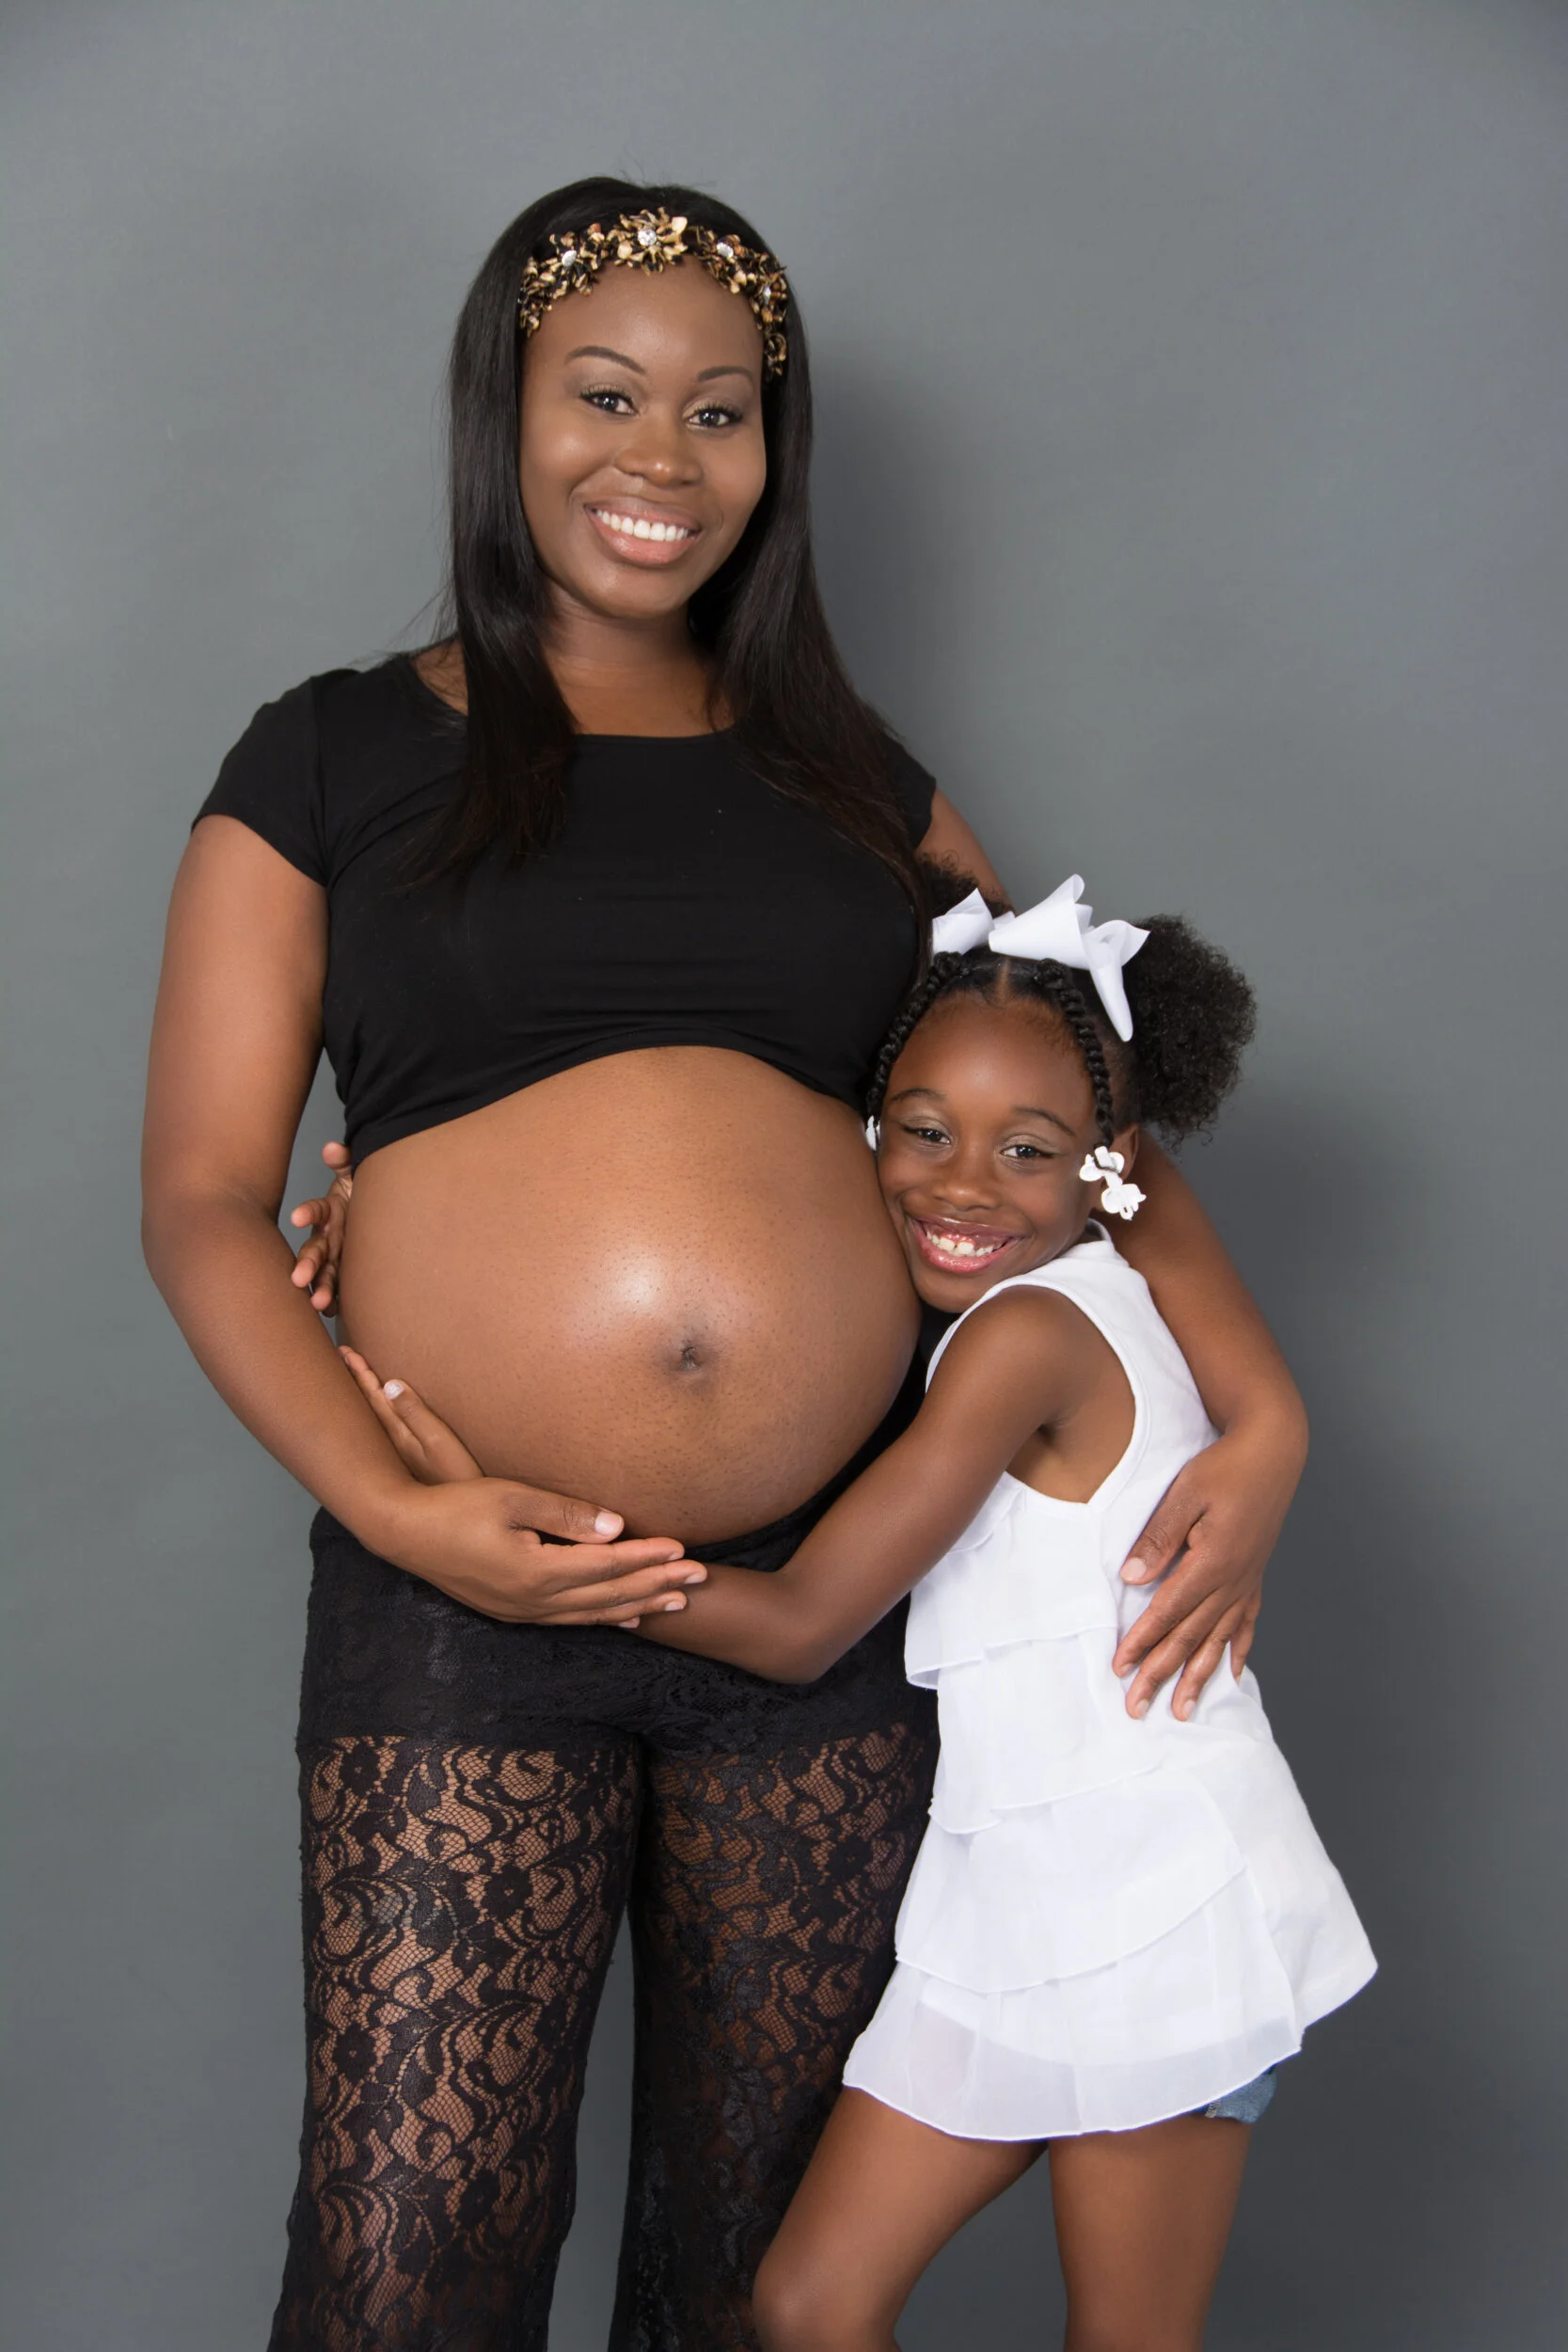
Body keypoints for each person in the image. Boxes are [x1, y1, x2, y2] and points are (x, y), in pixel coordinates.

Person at [141, 172, 1310, 2350]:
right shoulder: (329, 755)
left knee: (748, 2271)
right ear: (502, 410)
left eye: (719, 411)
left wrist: (1264, 1421)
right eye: (602, 395)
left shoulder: (854, 783)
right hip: (461, 1581)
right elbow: (205, 1195)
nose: (659, 460)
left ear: (774, 453)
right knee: (406, 2258)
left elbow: (1079, 1109)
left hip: (828, 1600)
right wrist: (395, 1505)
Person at [348, 878, 1375, 2352]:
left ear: (1104, 1169)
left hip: (1156, 1895)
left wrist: (524, 1535)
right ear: (870, 1127)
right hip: (1003, 1894)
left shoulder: (1029, 1335)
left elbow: (800, 1624)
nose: (962, 1187)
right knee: (811, 2303)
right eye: (922, 1130)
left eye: (1026, 1151)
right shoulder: (1039, 1279)